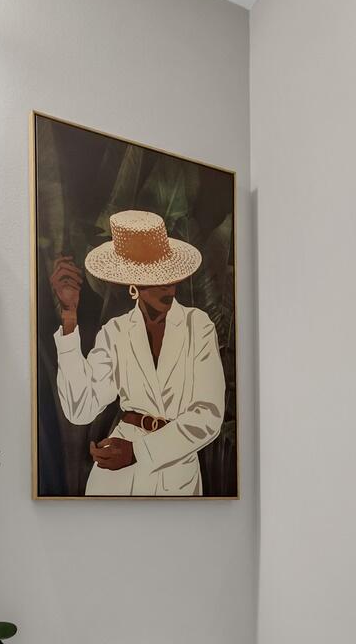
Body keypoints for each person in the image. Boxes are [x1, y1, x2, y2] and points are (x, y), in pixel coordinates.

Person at [49, 210, 224, 496]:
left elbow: (208, 415)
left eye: (172, 274)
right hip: (116, 476)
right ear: (134, 285)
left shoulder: (198, 326)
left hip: (175, 471)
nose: (169, 284)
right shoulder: (115, 331)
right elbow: (80, 408)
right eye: (155, 277)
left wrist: (138, 452)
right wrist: (69, 318)